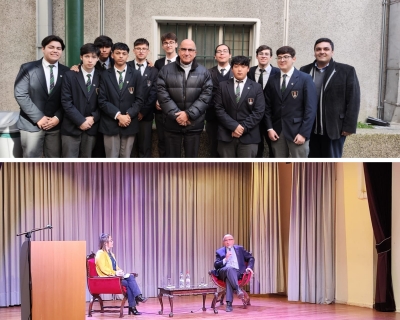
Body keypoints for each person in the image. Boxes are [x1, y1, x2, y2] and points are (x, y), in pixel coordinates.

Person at [300, 38, 360, 158]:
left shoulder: (346, 70)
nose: (322, 52)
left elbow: (354, 100)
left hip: (334, 128)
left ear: (332, 51)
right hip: (310, 129)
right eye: (318, 49)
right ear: (314, 52)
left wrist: (349, 126)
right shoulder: (305, 70)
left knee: (331, 163)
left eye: (326, 49)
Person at [14, 35, 69, 158]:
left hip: (55, 125)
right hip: (31, 124)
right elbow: (21, 94)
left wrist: (57, 117)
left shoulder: (67, 72)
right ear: (43, 48)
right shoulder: (28, 68)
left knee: (54, 163)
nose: (55, 50)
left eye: (59, 48)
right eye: (51, 47)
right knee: (31, 161)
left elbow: (68, 99)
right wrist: (39, 118)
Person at [157, 39, 213, 157]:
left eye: (190, 50)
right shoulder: (165, 70)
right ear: (178, 50)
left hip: (194, 123)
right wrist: (177, 115)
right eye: (184, 49)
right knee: (172, 161)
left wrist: (188, 114)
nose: (187, 53)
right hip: (172, 123)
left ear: (195, 53)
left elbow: (205, 96)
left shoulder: (204, 72)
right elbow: (162, 95)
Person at [264, 46, 317, 158]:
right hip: (277, 131)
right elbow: (267, 106)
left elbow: (310, 109)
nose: (282, 60)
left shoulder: (305, 78)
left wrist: (304, 133)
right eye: (279, 57)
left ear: (294, 59)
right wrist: (269, 128)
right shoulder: (272, 79)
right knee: (279, 164)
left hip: (297, 131)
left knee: (300, 165)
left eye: (286, 57)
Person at [98, 42, 144, 158]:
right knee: (111, 157)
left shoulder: (136, 74)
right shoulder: (104, 75)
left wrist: (128, 115)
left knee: (126, 157)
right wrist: (118, 116)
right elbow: (102, 100)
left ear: (128, 56)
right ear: (112, 55)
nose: (121, 56)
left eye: (124, 53)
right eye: (117, 53)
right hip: (110, 122)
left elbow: (139, 99)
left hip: (129, 122)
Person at [214, 56, 265, 158]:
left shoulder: (256, 87)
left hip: (249, 136)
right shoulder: (222, 85)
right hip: (226, 134)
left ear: (248, 68)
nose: (240, 69)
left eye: (243, 66)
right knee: (227, 171)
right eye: (236, 66)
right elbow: (218, 108)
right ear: (232, 69)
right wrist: (234, 126)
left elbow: (258, 111)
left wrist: (242, 128)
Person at [60, 43, 100, 158]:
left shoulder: (102, 76)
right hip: (71, 127)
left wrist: (93, 117)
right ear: (81, 57)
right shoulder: (70, 75)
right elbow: (66, 102)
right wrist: (80, 121)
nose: (90, 60)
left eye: (93, 57)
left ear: (97, 59)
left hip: (91, 126)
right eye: (87, 56)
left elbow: (104, 102)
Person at [95, 233, 147, 315]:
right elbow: (103, 269)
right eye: (111, 240)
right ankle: (135, 301)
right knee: (130, 282)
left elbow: (116, 267)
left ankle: (135, 302)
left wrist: (120, 271)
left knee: (130, 278)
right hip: (107, 279)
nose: (113, 242)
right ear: (105, 243)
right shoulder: (100, 253)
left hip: (115, 277)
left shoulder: (111, 254)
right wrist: (115, 273)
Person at [247, 45, 280, 158]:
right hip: (253, 115)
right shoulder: (249, 72)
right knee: (256, 148)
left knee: (274, 148)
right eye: (261, 54)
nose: (263, 56)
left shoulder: (278, 73)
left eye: (266, 54)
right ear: (256, 56)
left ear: (271, 57)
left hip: (272, 117)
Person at [127, 38, 158, 158]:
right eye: (138, 48)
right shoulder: (126, 66)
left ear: (148, 51)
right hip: (128, 113)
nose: (141, 51)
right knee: (128, 148)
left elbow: (154, 92)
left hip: (146, 115)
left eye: (144, 49)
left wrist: (142, 112)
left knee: (145, 146)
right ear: (134, 50)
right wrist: (132, 112)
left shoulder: (154, 70)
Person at [213, 234, 254, 312]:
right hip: (223, 271)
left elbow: (251, 258)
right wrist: (225, 259)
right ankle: (238, 289)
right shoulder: (220, 251)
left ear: (233, 241)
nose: (228, 242)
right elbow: (216, 265)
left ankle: (229, 304)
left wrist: (249, 267)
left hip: (237, 273)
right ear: (223, 242)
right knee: (229, 269)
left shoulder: (240, 249)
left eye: (230, 240)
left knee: (229, 278)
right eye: (226, 240)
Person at [154, 32, 179, 158]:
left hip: (177, 108)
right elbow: (156, 84)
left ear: (176, 44)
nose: (168, 45)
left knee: (175, 142)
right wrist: (158, 100)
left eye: (171, 42)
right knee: (162, 140)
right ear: (162, 46)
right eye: (165, 43)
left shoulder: (182, 61)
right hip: (160, 109)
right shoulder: (158, 63)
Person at [207, 44, 233, 157]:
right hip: (212, 117)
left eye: (225, 51)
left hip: (232, 117)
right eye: (219, 51)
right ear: (215, 56)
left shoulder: (237, 72)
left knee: (230, 152)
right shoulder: (207, 73)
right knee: (213, 149)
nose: (222, 53)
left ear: (230, 55)